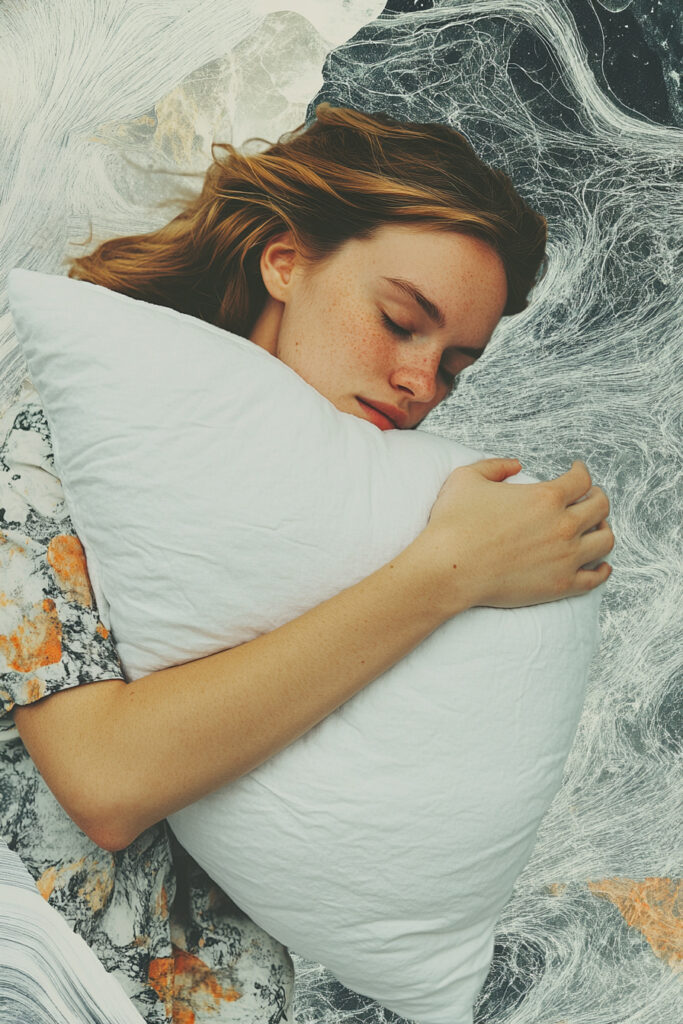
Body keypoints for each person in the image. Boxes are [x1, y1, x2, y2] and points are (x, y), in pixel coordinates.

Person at [0, 103, 614, 1023]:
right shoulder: (53, 438)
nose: (418, 382)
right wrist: (447, 575)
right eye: (400, 319)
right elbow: (107, 782)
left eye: (453, 365)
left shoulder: (382, 512)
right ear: (284, 260)